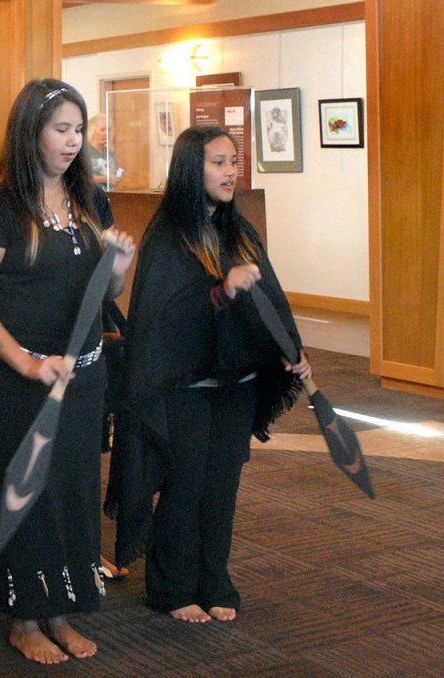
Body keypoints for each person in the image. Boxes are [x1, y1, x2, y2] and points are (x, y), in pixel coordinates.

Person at [105, 125, 310, 623]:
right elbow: (163, 320)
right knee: (186, 486)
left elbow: (270, 302)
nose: (230, 172)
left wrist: (289, 350)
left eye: (233, 162)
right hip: (185, 387)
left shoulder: (240, 230)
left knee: (221, 490)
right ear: (190, 168)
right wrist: (221, 291)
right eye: (218, 162)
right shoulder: (169, 235)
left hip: (235, 383)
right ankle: (172, 587)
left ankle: (214, 580)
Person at [0, 78, 134, 665]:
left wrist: (119, 265)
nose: (73, 140)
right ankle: (25, 619)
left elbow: (106, 293)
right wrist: (28, 364)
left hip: (83, 376)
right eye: (61, 128)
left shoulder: (89, 201)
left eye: (78, 129)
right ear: (31, 132)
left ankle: (62, 611)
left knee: (74, 492)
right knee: (27, 495)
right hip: (19, 381)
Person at [86, 114, 122, 189]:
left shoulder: (110, 153)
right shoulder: (83, 152)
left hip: (109, 194)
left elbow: (115, 174)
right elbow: (79, 179)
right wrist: (105, 179)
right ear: (92, 130)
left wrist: (116, 178)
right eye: (102, 130)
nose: (107, 133)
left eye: (109, 130)